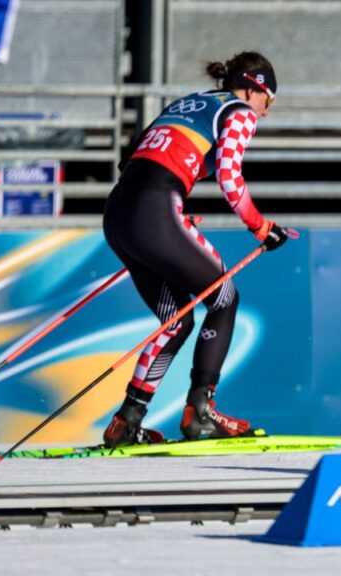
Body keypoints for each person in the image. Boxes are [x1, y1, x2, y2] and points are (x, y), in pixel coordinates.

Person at [101, 52, 290, 447]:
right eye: (268, 101)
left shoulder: (190, 101)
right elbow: (229, 174)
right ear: (253, 88)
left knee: (177, 321)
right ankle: (201, 412)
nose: (265, 112)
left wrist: (169, 211)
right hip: (155, 212)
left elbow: (130, 161)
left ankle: (127, 420)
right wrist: (261, 226)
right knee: (223, 298)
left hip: (119, 212)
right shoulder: (239, 111)